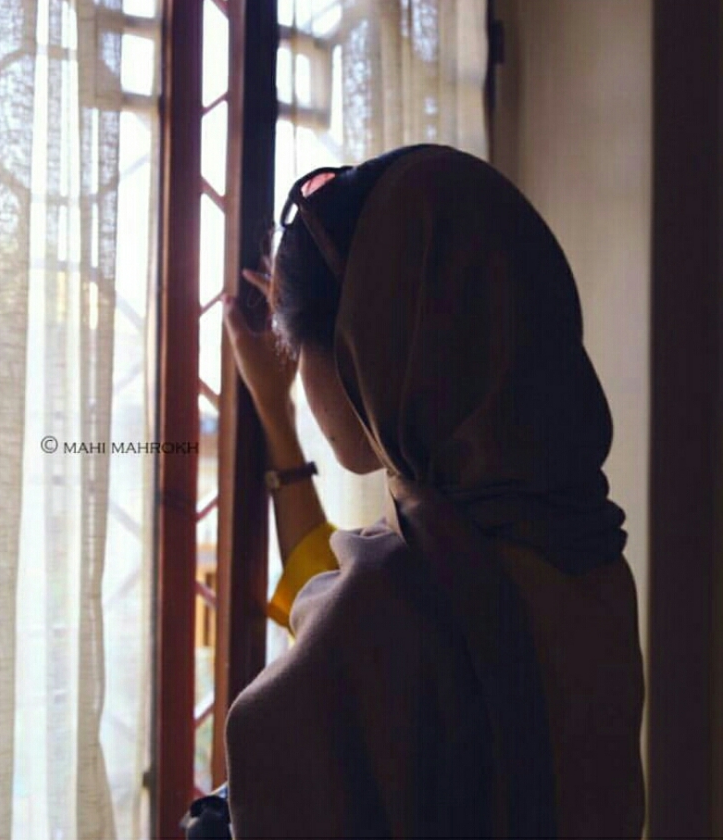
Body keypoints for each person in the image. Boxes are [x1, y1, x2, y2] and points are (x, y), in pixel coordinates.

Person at [218, 144, 646, 839]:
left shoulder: (388, 615)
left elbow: (349, 622)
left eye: (300, 343)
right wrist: (277, 417)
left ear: (367, 341)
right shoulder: (587, 552)